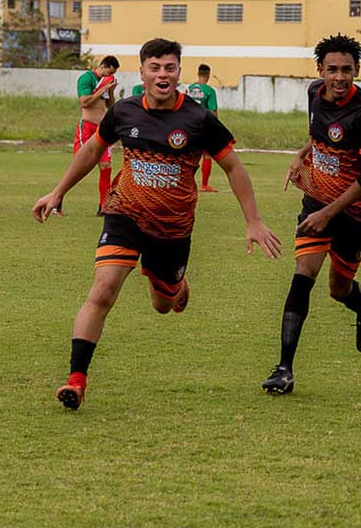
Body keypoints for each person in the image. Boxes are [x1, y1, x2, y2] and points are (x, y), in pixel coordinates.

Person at [33, 38, 281, 410]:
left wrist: (254, 221)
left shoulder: (199, 119)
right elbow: (93, 150)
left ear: (179, 72)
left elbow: (234, 166)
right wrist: (58, 192)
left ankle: (175, 287)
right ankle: (76, 380)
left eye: (169, 67)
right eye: (155, 67)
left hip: (172, 229)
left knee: (163, 304)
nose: (162, 74)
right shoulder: (125, 112)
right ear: (143, 72)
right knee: (102, 290)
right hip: (125, 214)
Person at [261, 34, 361, 396]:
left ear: (357, 71)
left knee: (338, 289)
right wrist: (303, 153)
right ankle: (284, 368)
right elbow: (319, 135)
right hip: (318, 200)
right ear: (320, 70)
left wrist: (330, 215)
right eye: (332, 69)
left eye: (347, 70)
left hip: (356, 212)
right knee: (304, 273)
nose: (340, 76)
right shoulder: (314, 94)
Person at [75, 56, 119, 214]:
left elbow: (110, 106)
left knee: (106, 166)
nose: (111, 75)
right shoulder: (87, 78)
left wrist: (111, 92)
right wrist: (101, 90)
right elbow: (84, 102)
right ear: (103, 66)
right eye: (110, 71)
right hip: (86, 128)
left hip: (101, 129)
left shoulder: (107, 81)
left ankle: (103, 206)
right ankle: (57, 201)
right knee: (78, 168)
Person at [185, 64, 221, 192]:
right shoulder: (209, 91)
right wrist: (216, 126)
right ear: (208, 75)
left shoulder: (189, 88)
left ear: (198, 73)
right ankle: (204, 185)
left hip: (188, 125)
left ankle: (186, 184)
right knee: (207, 155)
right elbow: (213, 111)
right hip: (203, 125)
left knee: (189, 156)